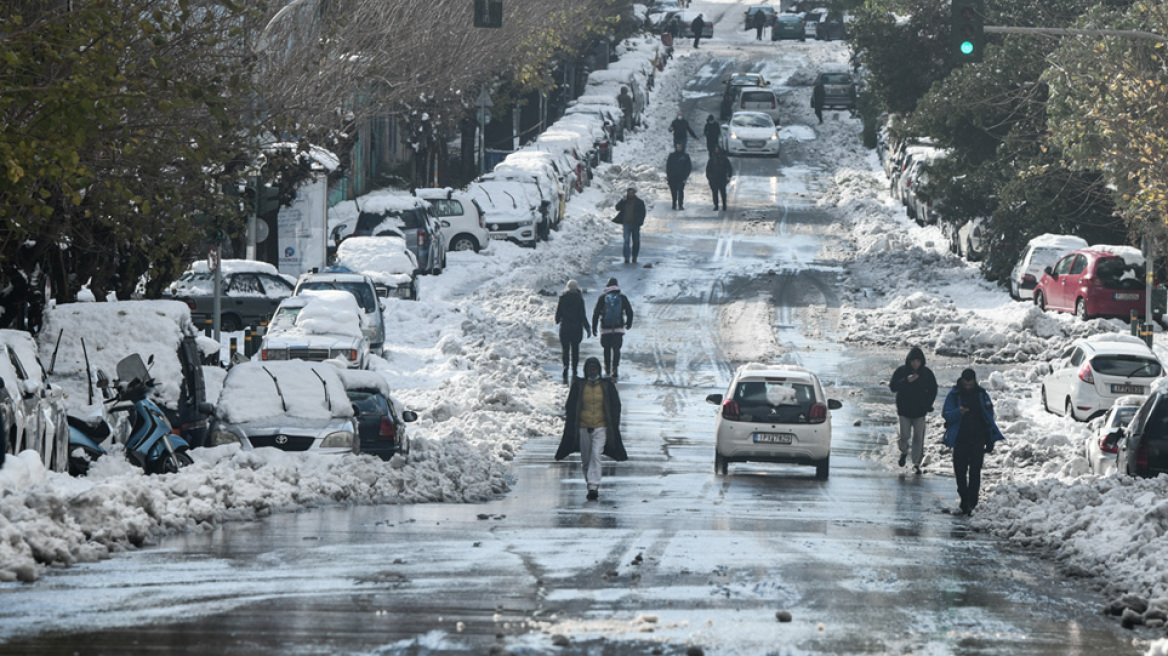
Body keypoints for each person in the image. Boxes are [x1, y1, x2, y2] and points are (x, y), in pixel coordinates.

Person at [556, 357, 628, 501]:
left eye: (595, 369)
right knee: (586, 460)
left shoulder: (606, 386)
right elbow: (571, 406)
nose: (593, 372)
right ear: (586, 370)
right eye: (590, 369)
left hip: (601, 427)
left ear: (599, 370)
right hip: (583, 427)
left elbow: (615, 406)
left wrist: (613, 423)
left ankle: (593, 486)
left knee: (596, 456)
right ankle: (590, 482)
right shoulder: (579, 386)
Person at [941, 369, 1005, 515]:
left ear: (974, 381)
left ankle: (972, 502)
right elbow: (946, 414)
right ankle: (964, 498)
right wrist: (959, 412)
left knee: (975, 472)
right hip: (960, 439)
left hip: (977, 438)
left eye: (970, 384)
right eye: (966, 384)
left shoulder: (981, 394)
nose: (968, 387)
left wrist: (989, 439)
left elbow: (988, 417)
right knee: (960, 471)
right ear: (962, 381)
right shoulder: (954, 394)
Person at [888, 346, 938, 474]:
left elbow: (933, 389)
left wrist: (928, 404)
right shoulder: (902, 371)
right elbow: (893, 387)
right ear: (909, 361)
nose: (915, 363)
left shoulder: (926, 373)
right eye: (913, 361)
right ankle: (904, 451)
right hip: (904, 410)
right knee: (904, 436)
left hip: (920, 411)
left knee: (918, 438)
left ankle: (916, 463)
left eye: (918, 361)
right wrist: (906, 381)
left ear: (922, 362)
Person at [591, 278, 634, 380]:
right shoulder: (622, 297)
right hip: (618, 328)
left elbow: (596, 313)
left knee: (606, 349)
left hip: (606, 329)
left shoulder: (603, 298)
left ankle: (607, 369)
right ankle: (615, 369)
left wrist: (594, 328)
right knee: (616, 349)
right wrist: (628, 324)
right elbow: (630, 312)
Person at [555, 279, 592, 384]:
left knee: (565, 349)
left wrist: (557, 319)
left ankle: (565, 366)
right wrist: (587, 328)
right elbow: (582, 315)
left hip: (565, 327)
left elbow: (558, 314)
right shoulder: (579, 299)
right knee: (575, 349)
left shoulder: (562, 298)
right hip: (576, 328)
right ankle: (574, 370)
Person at [614, 186, 647, 263]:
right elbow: (617, 208)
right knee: (626, 241)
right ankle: (627, 257)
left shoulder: (639, 202)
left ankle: (635, 256)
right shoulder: (624, 201)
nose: (630, 195)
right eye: (629, 193)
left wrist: (640, 222)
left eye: (632, 193)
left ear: (634, 193)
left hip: (635, 224)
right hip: (626, 224)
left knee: (636, 241)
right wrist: (622, 201)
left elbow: (643, 213)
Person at [705, 145, 733, 211]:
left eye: (717, 149)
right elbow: (708, 168)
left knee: (723, 192)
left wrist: (729, 176)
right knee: (715, 193)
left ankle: (724, 205)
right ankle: (716, 205)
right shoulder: (712, 159)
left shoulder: (724, 158)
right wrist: (709, 177)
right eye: (715, 149)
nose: (716, 150)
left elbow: (729, 168)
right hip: (714, 178)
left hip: (722, 178)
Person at [665, 142, 692, 211]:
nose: (678, 148)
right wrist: (668, 175)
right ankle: (674, 203)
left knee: (680, 191)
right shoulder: (672, 156)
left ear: (682, 147)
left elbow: (689, 167)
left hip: (681, 177)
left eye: (680, 147)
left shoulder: (685, 156)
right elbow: (668, 166)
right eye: (677, 147)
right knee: (673, 191)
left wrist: (686, 176)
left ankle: (680, 205)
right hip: (672, 177)